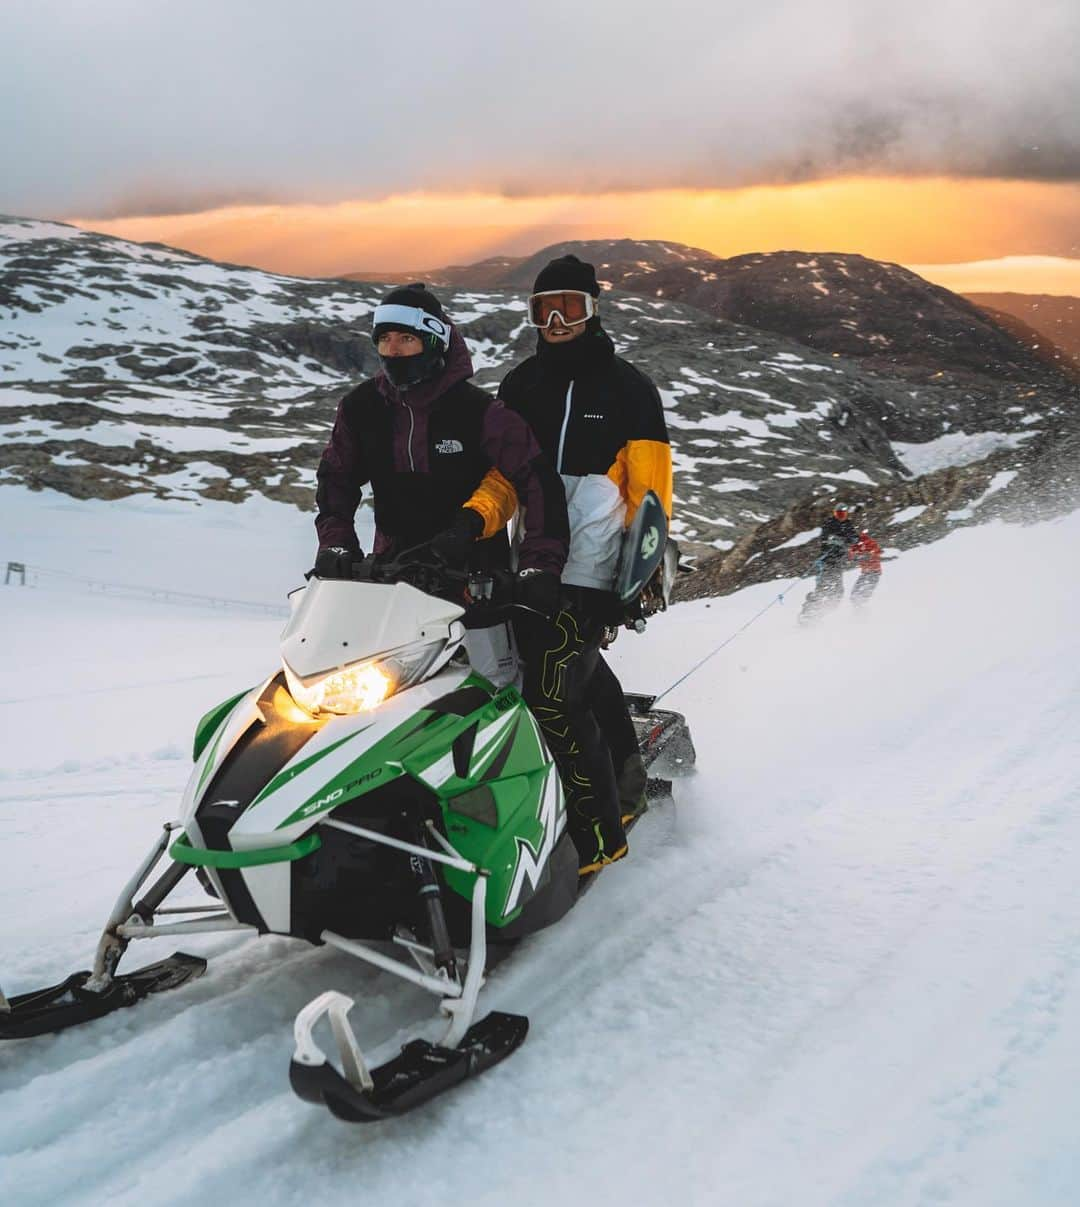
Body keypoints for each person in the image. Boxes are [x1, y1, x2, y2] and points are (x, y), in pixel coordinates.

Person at [498, 254, 673, 875]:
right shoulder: (521, 385)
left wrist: (638, 577)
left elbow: (651, 495)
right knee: (579, 677)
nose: (556, 319)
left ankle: (599, 829)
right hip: (534, 563)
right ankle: (627, 786)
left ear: (593, 309)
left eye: (569, 306)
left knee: (552, 690)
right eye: (543, 309)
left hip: (595, 570)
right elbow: (501, 475)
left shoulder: (629, 389)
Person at [313, 283, 568, 682]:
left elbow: (537, 483)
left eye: (407, 339)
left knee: (490, 690)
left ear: (434, 341)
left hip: (476, 580)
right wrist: (337, 542)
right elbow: (337, 479)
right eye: (385, 340)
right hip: (392, 578)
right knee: (383, 690)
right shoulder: (361, 408)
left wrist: (540, 566)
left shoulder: (480, 412)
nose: (393, 351)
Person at [799, 503, 859, 622]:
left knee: (837, 592)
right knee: (822, 587)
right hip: (827, 561)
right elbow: (825, 537)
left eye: (843, 514)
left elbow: (854, 537)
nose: (841, 516)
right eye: (838, 514)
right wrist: (833, 540)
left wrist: (848, 540)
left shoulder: (847, 524)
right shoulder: (830, 523)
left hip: (838, 562)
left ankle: (820, 614)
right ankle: (807, 613)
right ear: (834, 513)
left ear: (846, 514)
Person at [849, 529, 883, 606]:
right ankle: (857, 605)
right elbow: (851, 556)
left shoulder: (868, 542)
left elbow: (875, 552)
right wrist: (855, 555)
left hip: (874, 572)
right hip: (866, 572)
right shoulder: (856, 545)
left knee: (865, 592)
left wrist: (863, 554)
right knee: (855, 593)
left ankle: (862, 606)